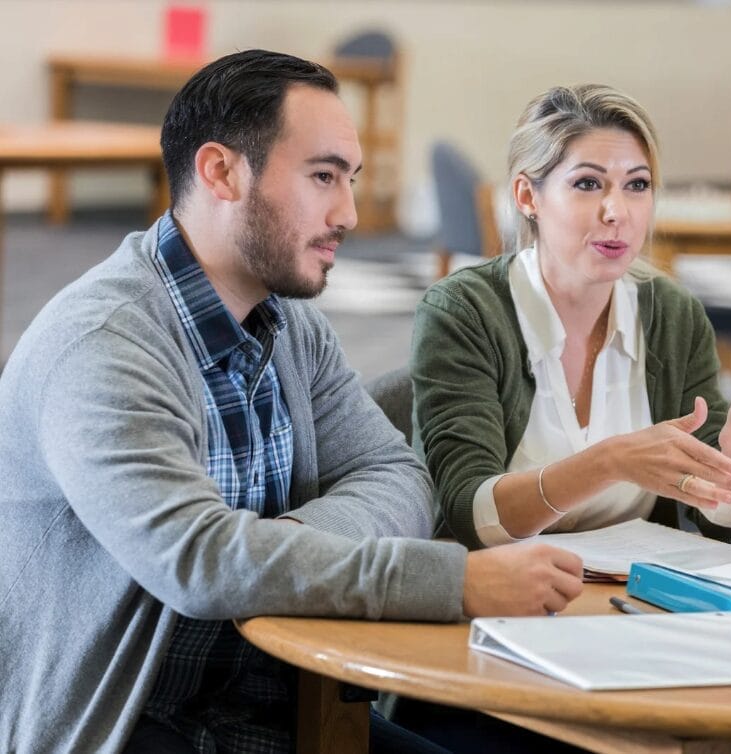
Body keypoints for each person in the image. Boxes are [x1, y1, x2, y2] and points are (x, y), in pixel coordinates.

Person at [0, 50, 584, 754]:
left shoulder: (288, 322)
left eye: (351, 179)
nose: (349, 212)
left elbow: (397, 476)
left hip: (283, 695)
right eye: (322, 177)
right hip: (127, 724)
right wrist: (452, 582)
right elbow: (201, 564)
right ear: (221, 172)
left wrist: (280, 550)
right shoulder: (102, 346)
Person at [411, 84, 731, 550]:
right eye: (587, 183)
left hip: (628, 597)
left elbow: (723, 526)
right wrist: (609, 461)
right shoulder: (464, 313)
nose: (617, 212)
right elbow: (466, 511)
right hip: (499, 595)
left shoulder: (673, 315)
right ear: (526, 196)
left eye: (637, 185)